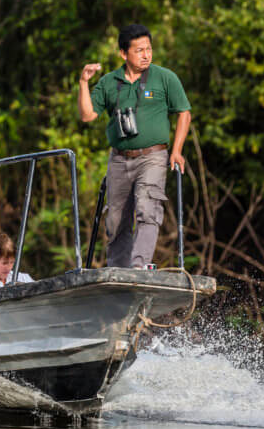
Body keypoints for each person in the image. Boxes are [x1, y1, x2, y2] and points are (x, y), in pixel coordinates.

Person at [78, 23, 192, 268]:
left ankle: (139, 267)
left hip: (153, 155)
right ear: (123, 53)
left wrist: (177, 150)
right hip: (119, 159)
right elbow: (87, 115)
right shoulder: (110, 82)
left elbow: (184, 112)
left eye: (148, 49)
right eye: (139, 50)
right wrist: (84, 83)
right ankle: (119, 272)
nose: (146, 55)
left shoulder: (164, 77)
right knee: (116, 220)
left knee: (147, 207)